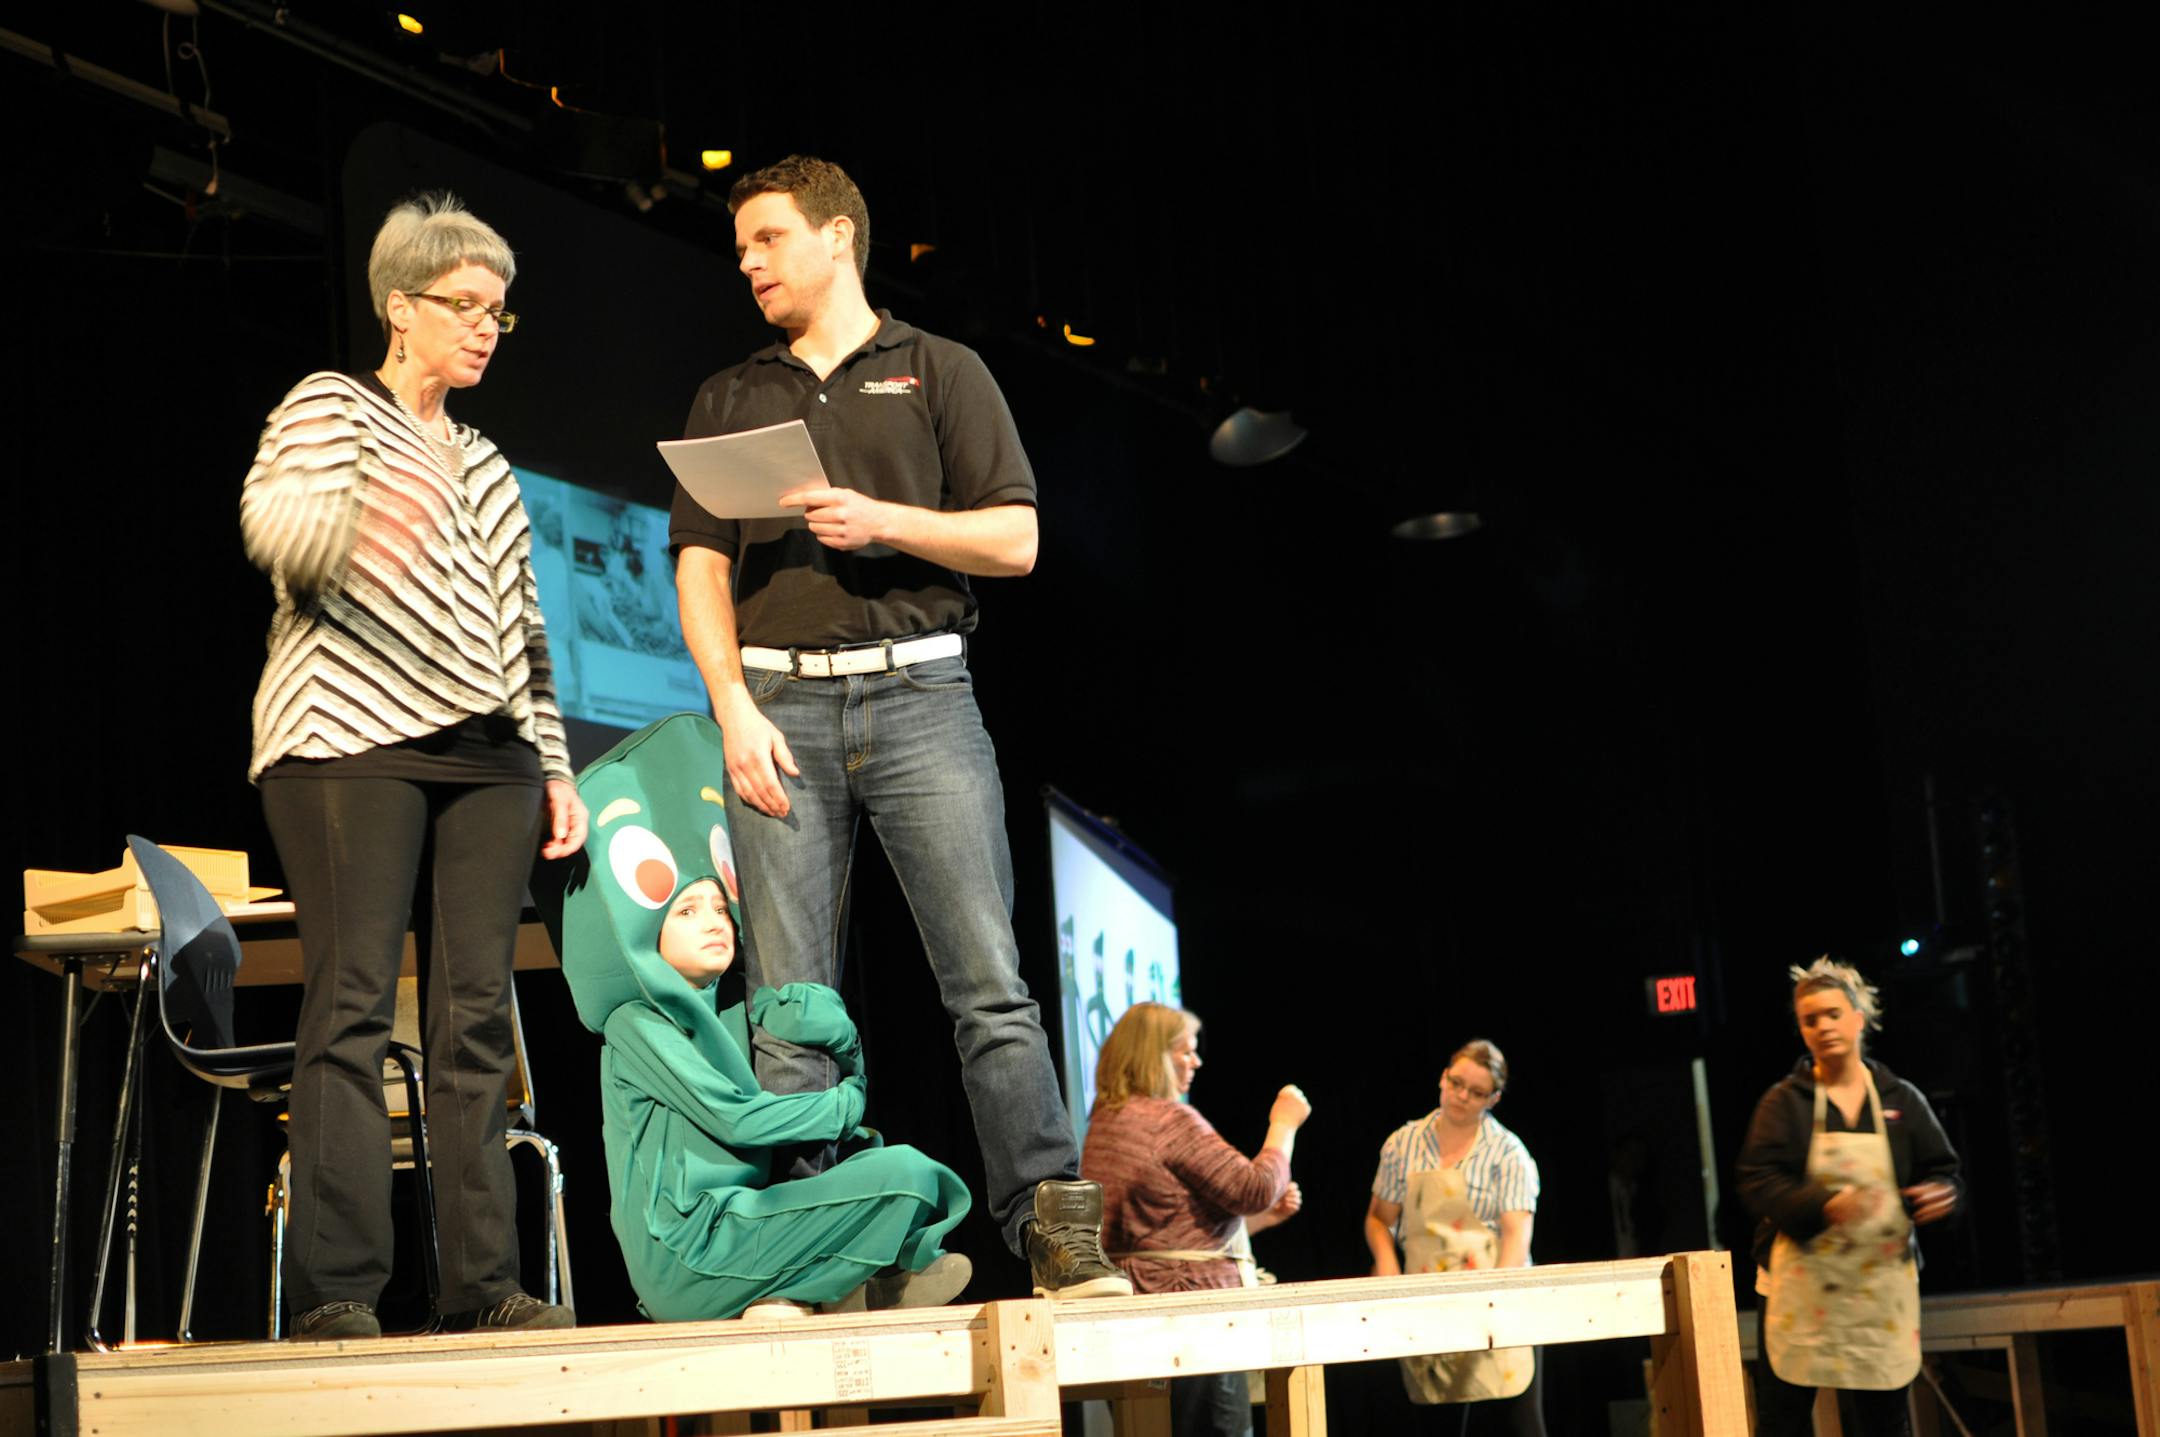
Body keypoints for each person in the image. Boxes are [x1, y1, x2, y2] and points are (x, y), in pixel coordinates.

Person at [669, 153, 1127, 1299]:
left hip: (922, 693)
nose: (750, 263)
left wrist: (884, 522)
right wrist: (729, 704)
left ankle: (1054, 1237)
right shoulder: (734, 392)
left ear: (839, 237)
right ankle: (806, 1248)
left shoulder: (940, 370)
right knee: (788, 1007)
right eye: (740, 249)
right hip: (776, 706)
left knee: (987, 984)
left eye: (769, 239)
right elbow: (696, 563)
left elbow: (1015, 542)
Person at [240, 192, 587, 1340]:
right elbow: (275, 523)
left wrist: (556, 768)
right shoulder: (331, 406)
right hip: (349, 739)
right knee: (348, 1002)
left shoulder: (486, 463)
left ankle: (483, 1287)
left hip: (488, 756)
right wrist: (348, 533)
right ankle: (337, 1291)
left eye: (500, 312)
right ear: (400, 309)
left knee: (476, 1016)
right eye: (465, 307)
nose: (487, 328)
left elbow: (526, 630)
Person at [560, 713, 973, 1320]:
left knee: (893, 1165)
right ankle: (824, 1283)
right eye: (686, 911)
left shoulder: (731, 1005)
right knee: (909, 1177)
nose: (712, 921)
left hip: (742, 1221)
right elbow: (739, 1120)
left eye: (717, 907)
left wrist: (841, 1045)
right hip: (690, 1247)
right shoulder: (636, 1022)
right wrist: (844, 1104)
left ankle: (833, 1284)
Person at [1736, 958, 1961, 1436]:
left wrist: (1942, 1194)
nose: (1823, 1027)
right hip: (1798, 1292)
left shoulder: (1899, 1098)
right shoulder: (1785, 1104)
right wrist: (1821, 1206)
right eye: (1810, 1019)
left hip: (1875, 1290)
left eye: (1833, 1014)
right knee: (1785, 1422)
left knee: (1882, 1424)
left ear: (1859, 1019)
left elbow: (1945, 1171)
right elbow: (1757, 1181)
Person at [1081, 1003, 1310, 1437]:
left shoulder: (1107, 1121)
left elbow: (1157, 1228)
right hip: (1194, 1320)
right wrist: (1284, 1125)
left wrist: (1255, 1223)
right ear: (1154, 1057)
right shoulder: (1166, 1121)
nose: (1196, 1061)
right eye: (1186, 1051)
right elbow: (1256, 1187)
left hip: (1140, 1316)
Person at [1365, 1040, 1545, 1436]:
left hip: (1494, 1301)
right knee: (1438, 1424)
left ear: (1493, 1099)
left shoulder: (1507, 1154)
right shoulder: (1404, 1144)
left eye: (1476, 1092)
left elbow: (1516, 1236)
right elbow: (1380, 1219)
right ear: (1443, 1077)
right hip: (1430, 1304)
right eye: (1456, 1083)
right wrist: (1388, 1266)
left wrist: (1492, 1300)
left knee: (1519, 1424)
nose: (1461, 1096)